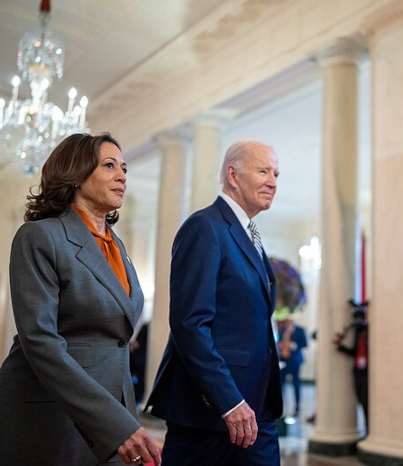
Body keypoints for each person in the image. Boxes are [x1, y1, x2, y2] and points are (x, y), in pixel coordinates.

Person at [0, 133, 161, 465]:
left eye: (125, 169)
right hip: (52, 410)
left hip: (113, 403)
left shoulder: (118, 247)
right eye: (110, 166)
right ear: (76, 173)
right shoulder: (40, 236)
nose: (122, 176)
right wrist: (113, 423)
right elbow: (40, 340)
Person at [146, 140, 283, 465]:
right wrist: (228, 401)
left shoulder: (250, 234)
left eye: (276, 174)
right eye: (263, 171)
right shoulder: (205, 227)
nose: (274, 182)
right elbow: (189, 324)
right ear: (233, 175)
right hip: (211, 412)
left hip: (258, 407)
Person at [332, 301, 369, 432]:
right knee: (360, 399)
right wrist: (339, 346)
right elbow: (354, 351)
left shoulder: (370, 332)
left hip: (368, 372)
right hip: (357, 370)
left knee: (366, 402)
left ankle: (368, 429)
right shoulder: (357, 332)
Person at [276, 315, 308, 417]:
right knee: (281, 385)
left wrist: (294, 345)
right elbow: (279, 341)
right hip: (284, 360)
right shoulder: (282, 330)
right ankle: (281, 407)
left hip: (294, 361)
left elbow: (304, 343)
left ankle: (297, 408)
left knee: (296, 384)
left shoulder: (300, 330)